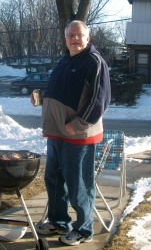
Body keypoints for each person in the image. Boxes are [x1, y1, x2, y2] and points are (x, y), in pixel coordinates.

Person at [33, 20, 111, 246]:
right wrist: (40, 95)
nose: (74, 39)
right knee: (54, 181)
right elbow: (60, 90)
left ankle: (84, 229)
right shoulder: (65, 60)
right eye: (70, 35)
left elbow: (100, 100)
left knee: (79, 185)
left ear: (88, 37)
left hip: (78, 135)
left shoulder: (94, 62)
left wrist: (76, 125)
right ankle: (58, 222)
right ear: (65, 38)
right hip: (57, 132)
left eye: (79, 35)